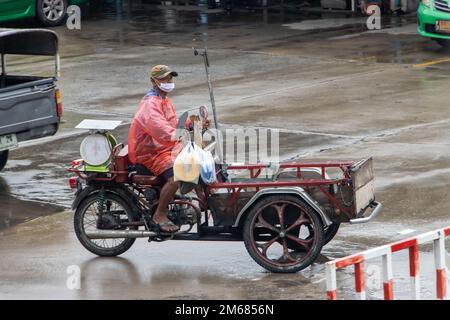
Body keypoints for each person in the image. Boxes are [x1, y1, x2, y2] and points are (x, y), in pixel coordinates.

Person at [128, 65, 208, 233]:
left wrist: (191, 124)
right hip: (150, 152)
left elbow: (172, 123)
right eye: (164, 79)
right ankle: (160, 214)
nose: (168, 82)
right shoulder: (150, 104)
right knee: (177, 174)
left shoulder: (163, 99)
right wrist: (180, 135)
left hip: (164, 148)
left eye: (170, 79)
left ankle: (204, 201)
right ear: (153, 81)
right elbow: (161, 129)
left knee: (198, 159)